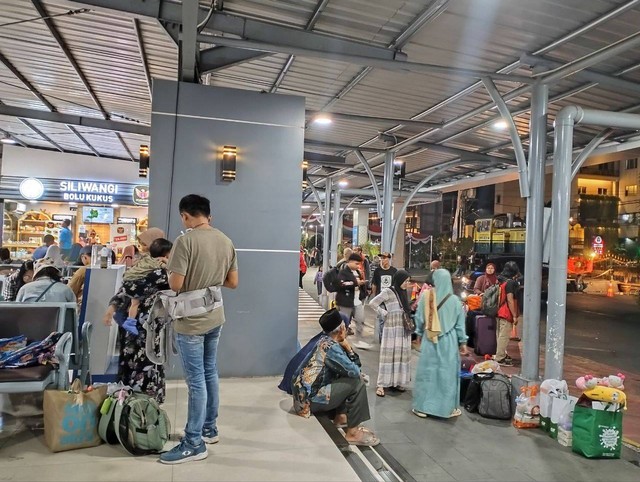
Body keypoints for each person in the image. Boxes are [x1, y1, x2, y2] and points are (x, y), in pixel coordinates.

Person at [159, 194, 238, 465]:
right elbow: (233, 282)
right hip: (215, 316)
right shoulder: (226, 241)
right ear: (208, 215)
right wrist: (209, 281)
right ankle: (209, 428)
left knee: (195, 381)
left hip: (190, 321)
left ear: (185, 216)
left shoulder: (184, 241)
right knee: (209, 372)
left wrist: (172, 271)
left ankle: (193, 443)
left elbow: (176, 285)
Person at [292, 308, 379, 447]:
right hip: (309, 402)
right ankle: (353, 433)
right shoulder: (332, 348)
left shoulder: (323, 341)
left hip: (301, 399)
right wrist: (348, 348)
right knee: (358, 382)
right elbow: (355, 372)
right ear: (341, 329)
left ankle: (341, 417)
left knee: (343, 374)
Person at [102, 227, 167, 404]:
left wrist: (129, 290)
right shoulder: (144, 266)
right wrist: (112, 308)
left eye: (145, 244)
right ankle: (128, 399)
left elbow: (133, 288)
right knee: (129, 359)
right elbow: (125, 290)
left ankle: (146, 403)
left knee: (148, 360)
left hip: (149, 325)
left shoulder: (163, 269)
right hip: (132, 325)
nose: (142, 248)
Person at [412, 268, 469, 419]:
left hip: (430, 339)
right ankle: (446, 408)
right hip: (449, 342)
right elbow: (460, 325)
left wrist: (418, 333)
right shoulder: (456, 301)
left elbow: (419, 317)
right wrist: (463, 342)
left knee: (427, 373)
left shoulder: (426, 296)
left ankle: (421, 407)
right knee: (446, 375)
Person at [368, 270, 413, 397]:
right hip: (391, 327)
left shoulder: (403, 292)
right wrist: (384, 313)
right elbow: (373, 303)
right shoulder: (388, 291)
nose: (407, 283)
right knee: (388, 355)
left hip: (402, 327)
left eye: (408, 281)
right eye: (406, 281)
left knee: (399, 354)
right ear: (399, 280)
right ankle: (381, 384)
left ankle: (396, 382)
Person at [114, 238, 173, 332]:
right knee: (136, 303)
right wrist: (167, 262)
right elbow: (170, 270)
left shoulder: (147, 258)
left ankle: (130, 322)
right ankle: (130, 323)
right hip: (136, 285)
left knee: (134, 304)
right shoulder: (158, 264)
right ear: (165, 253)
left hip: (129, 281)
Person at [335, 253, 372, 350]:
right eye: (356, 264)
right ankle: (340, 342)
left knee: (360, 320)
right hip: (345, 302)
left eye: (359, 264)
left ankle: (359, 340)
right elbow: (341, 284)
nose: (358, 266)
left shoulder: (358, 272)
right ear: (350, 262)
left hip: (357, 300)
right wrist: (356, 283)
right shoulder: (343, 272)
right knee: (344, 324)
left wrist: (364, 288)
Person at [495, 261, 520, 367]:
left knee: (500, 335)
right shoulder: (510, 283)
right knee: (504, 336)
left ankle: (501, 354)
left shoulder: (500, 280)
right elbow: (510, 299)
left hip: (498, 311)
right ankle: (500, 358)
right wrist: (514, 315)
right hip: (506, 313)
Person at [370, 252, 397, 342]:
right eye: (382, 258)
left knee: (391, 319)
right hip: (381, 299)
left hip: (390, 299)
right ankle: (382, 339)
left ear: (389, 259)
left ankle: (390, 338)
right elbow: (374, 284)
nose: (383, 260)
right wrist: (375, 297)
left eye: (385, 258)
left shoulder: (394, 271)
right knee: (382, 319)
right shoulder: (377, 271)